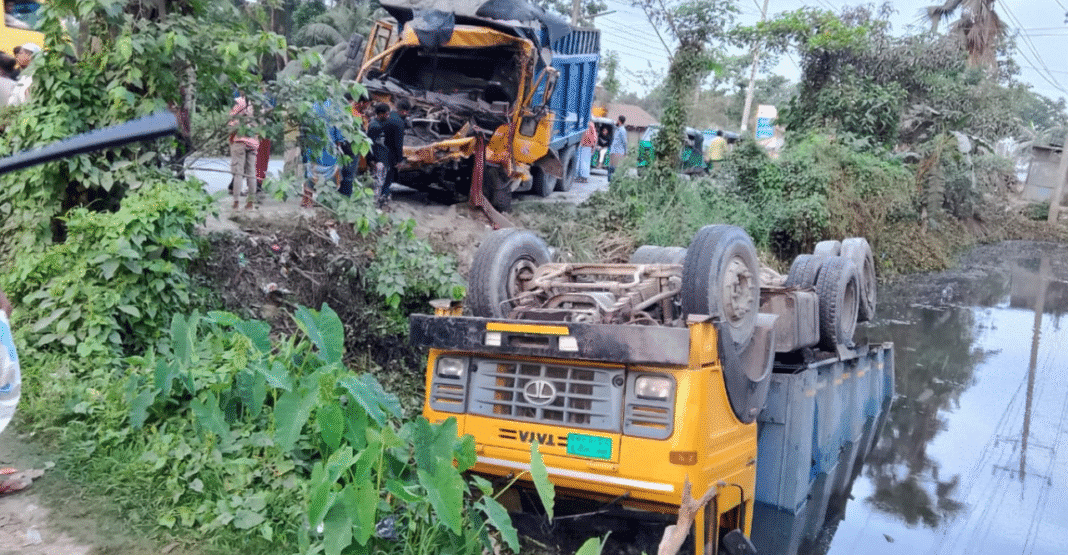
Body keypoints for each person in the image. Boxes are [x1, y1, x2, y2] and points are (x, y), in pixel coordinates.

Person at [301, 99, 343, 208]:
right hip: (329, 146)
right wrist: (339, 141)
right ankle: (327, 200)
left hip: (312, 145)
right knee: (331, 172)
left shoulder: (309, 105)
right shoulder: (335, 107)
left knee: (311, 171)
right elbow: (338, 128)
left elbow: (303, 128)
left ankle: (307, 199)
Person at [366, 101, 405, 207]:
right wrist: (371, 159)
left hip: (383, 159)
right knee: (378, 184)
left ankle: (379, 202)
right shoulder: (375, 127)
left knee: (380, 183)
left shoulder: (378, 124)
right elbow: (369, 145)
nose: (388, 116)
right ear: (381, 114)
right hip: (379, 160)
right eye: (387, 114)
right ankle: (376, 205)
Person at [228, 92, 260, 210]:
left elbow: (232, 122)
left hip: (239, 141)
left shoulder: (238, 102)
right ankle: (250, 203)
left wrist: (231, 138)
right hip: (253, 142)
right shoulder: (258, 105)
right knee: (251, 173)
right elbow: (261, 125)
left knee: (238, 173)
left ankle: (236, 202)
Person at [608, 115, 627, 182]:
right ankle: (610, 182)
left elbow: (625, 142)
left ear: (619, 120)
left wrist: (625, 152)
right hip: (613, 151)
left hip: (618, 152)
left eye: (617, 120)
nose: (617, 121)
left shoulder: (622, 130)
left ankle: (614, 182)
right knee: (611, 167)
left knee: (615, 168)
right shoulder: (618, 129)